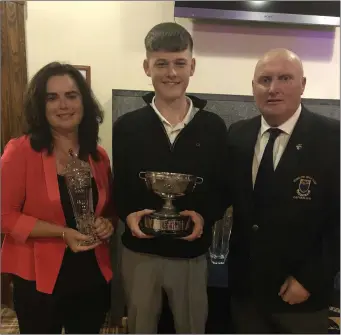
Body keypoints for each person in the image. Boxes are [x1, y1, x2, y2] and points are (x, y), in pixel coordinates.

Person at [112, 22, 229, 334]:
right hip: (140, 252)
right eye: (161, 63)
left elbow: (221, 187)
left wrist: (205, 217)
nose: (171, 73)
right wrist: (128, 214)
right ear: (147, 67)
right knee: (140, 326)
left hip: (191, 252)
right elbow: (118, 186)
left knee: (192, 327)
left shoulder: (214, 127)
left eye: (179, 63)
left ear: (192, 66)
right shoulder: (126, 126)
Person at [226, 48, 340, 333]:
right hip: (247, 293)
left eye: (285, 78)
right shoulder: (237, 135)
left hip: (301, 296)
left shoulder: (333, 138)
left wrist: (310, 279)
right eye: (265, 80)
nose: (273, 89)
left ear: (303, 84)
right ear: (253, 87)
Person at [1, 62, 116, 334]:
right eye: (52, 98)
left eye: (71, 95)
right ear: (40, 106)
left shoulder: (98, 156)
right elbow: (4, 216)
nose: (63, 105)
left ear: (84, 102)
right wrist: (62, 233)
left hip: (91, 276)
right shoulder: (20, 152)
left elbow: (109, 210)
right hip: (38, 279)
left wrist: (107, 224)